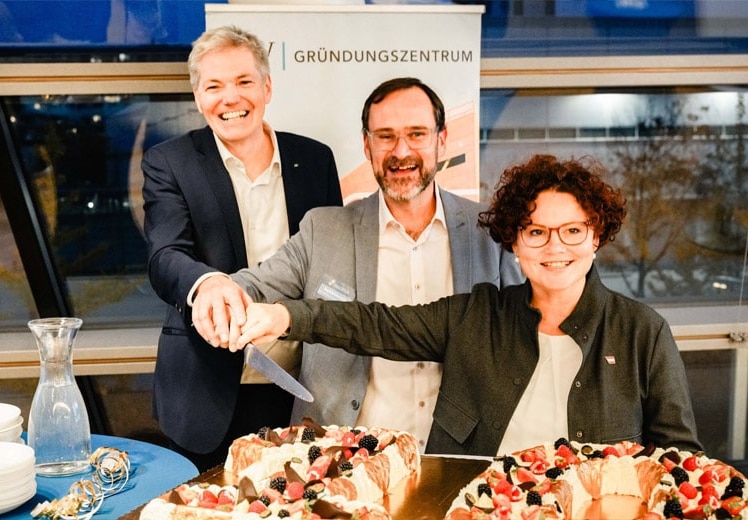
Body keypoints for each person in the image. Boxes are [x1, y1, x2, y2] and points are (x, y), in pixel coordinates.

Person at [231, 154, 703, 457]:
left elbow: (681, 457)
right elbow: (375, 324)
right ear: (514, 242)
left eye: (573, 231)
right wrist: (284, 315)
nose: (555, 246)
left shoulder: (642, 331)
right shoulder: (476, 316)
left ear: (596, 236)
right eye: (537, 232)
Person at [192, 77, 522, 452]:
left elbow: (524, 333)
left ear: (441, 140)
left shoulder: (489, 231)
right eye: (386, 136)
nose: (401, 151)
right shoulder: (323, 230)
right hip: (344, 456)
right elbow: (253, 285)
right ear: (367, 145)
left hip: (459, 456)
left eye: (416, 134)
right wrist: (215, 286)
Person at [142, 25, 342, 471]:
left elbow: (334, 263)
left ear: (267, 87)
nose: (230, 98)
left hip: (301, 387)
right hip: (206, 392)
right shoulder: (169, 162)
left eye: (244, 81)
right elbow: (165, 255)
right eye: (214, 86)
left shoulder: (315, 159)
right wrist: (208, 284)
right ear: (198, 97)